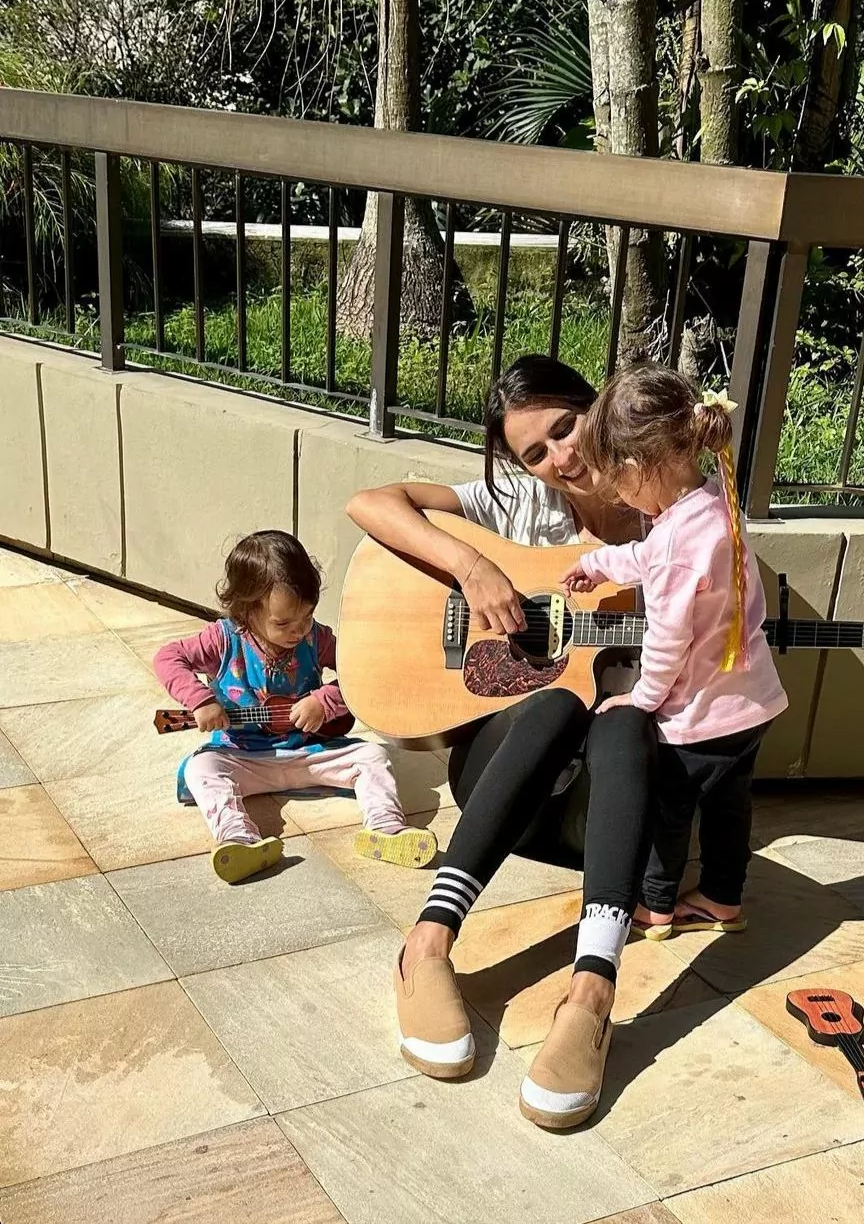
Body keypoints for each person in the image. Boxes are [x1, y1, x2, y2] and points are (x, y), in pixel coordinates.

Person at [345, 355, 656, 1130]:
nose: (561, 456)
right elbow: (370, 502)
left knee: (620, 715)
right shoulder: (519, 503)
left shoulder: (674, 509)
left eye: (566, 425)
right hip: (502, 785)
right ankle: (426, 944)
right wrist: (474, 564)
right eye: (535, 452)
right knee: (553, 702)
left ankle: (591, 995)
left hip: (600, 816)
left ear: (600, 407)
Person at [565, 364, 787, 939]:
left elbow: (666, 641)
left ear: (637, 469)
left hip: (701, 717)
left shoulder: (677, 544)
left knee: (670, 805)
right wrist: (598, 563)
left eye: (614, 480)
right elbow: (649, 557)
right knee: (730, 807)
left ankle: (655, 905)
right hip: (750, 702)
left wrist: (641, 701)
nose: (615, 493)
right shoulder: (712, 503)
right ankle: (721, 897)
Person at [154, 530, 437, 884]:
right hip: (245, 758)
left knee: (373, 757)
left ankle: (385, 828)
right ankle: (237, 838)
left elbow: (365, 672)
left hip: (309, 751)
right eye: (283, 623)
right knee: (201, 768)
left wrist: (325, 699)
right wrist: (200, 699)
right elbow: (168, 657)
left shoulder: (315, 638)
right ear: (247, 609)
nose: (298, 630)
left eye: (306, 617)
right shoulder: (224, 638)